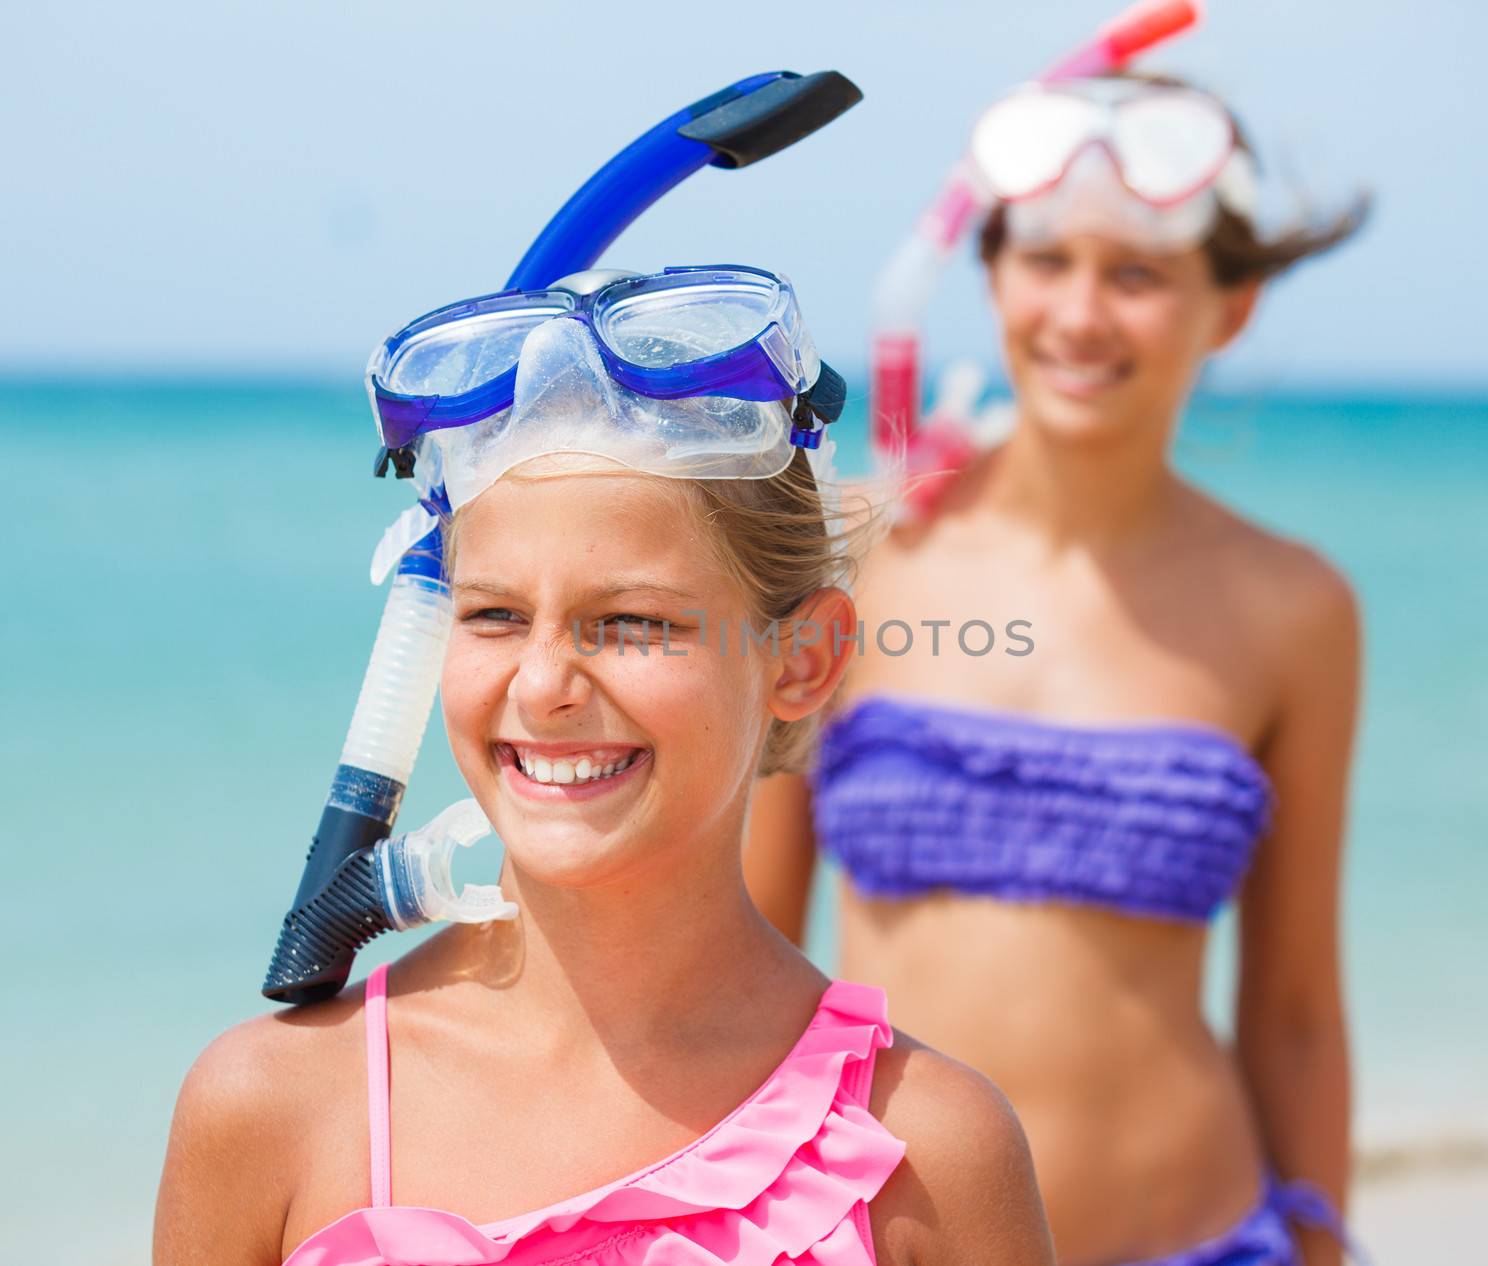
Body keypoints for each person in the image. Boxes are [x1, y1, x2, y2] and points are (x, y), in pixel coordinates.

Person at [153, 266, 1056, 1266]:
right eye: (493, 614)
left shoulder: (928, 1158)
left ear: (802, 660)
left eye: (632, 623)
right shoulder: (271, 1112)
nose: (543, 687)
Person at [746, 72, 1368, 1266]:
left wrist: (1324, 1242)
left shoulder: (1293, 608)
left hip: (1205, 1238)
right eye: (1046, 263)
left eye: (1136, 276)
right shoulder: (851, 560)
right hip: (878, 1241)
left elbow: (1292, 1013)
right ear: (990, 274)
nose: (1081, 315)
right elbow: (742, 945)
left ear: (1228, 305)